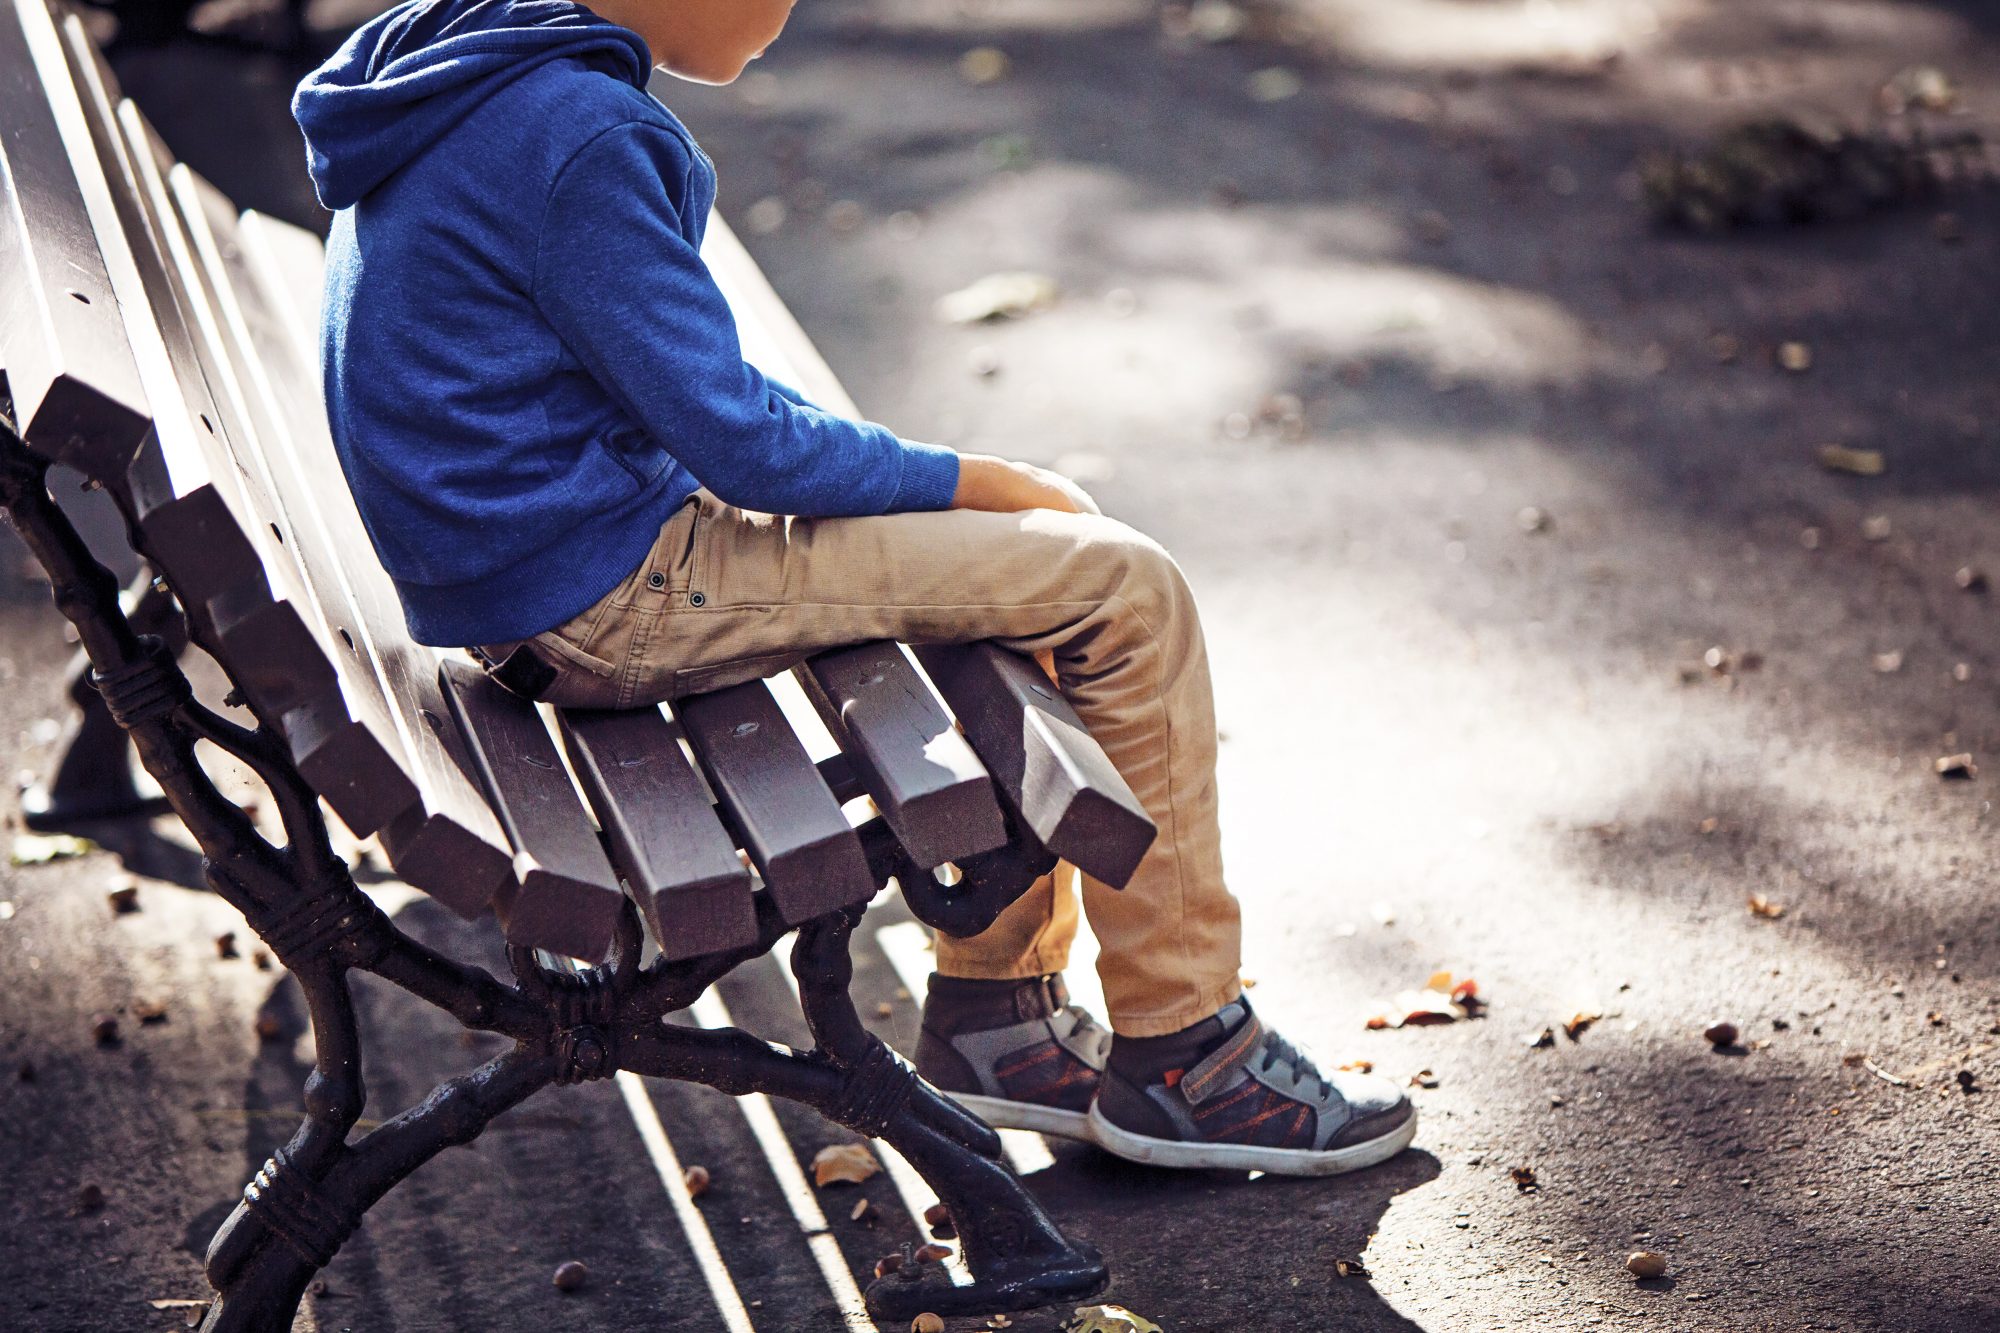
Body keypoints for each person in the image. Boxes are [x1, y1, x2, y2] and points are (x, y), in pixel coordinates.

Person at [293, 0, 1415, 1175]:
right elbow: (746, 446)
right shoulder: (579, 132)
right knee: (1122, 588)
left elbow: (689, 403)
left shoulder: (462, 59)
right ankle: (1189, 1053)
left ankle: (1001, 1023)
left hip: (536, 579)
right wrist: (975, 478)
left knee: (1014, 574)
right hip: (614, 596)